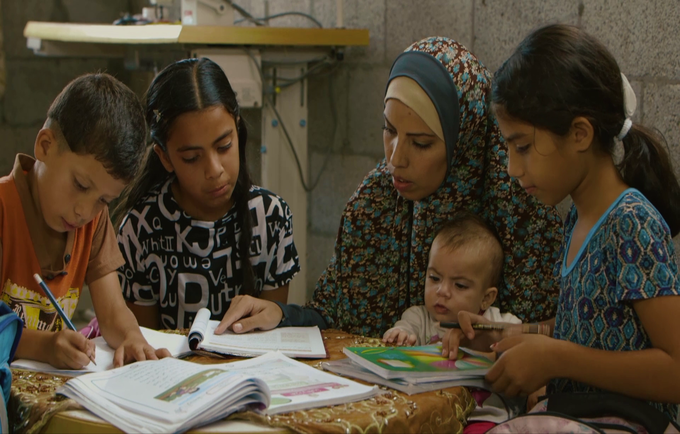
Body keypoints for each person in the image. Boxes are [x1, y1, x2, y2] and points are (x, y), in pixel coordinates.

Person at [218, 36, 563, 339]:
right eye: (389, 130)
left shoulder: (518, 210)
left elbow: (555, 331)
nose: (396, 159)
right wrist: (282, 314)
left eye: (422, 143)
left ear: (464, 144)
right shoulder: (373, 204)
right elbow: (336, 315)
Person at [476, 24, 680, 420]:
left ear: (580, 133)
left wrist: (558, 360)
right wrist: (512, 337)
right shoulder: (578, 215)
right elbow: (594, 325)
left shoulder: (630, 221)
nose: (512, 168)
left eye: (522, 146)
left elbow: (676, 370)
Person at [114, 58, 299, 330]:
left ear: (237, 129)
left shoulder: (272, 218)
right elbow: (146, 348)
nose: (214, 170)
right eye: (191, 158)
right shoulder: (139, 231)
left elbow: (269, 338)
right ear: (164, 157)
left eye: (224, 146)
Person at [0, 73, 170, 369]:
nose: (85, 211)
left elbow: (114, 312)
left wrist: (133, 338)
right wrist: (44, 346)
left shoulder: (93, 222)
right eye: (80, 185)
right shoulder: (3, 209)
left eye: (104, 200)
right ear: (45, 146)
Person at [382, 212, 520, 346]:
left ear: (486, 298)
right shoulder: (418, 319)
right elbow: (404, 329)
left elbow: (526, 344)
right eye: (434, 278)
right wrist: (399, 336)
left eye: (459, 285)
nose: (442, 291)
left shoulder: (499, 323)